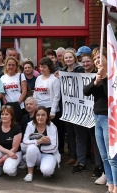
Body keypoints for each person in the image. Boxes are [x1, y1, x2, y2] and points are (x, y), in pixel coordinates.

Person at [84, 48, 117, 193]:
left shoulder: (112, 77)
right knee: (104, 156)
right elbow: (86, 92)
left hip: (108, 119)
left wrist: (103, 78)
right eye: (95, 58)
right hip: (97, 118)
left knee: (112, 157)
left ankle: (115, 186)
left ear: (107, 58)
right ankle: (110, 184)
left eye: (100, 58)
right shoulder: (96, 76)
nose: (97, 61)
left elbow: (109, 96)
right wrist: (96, 80)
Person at [71, 53, 103, 177]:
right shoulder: (75, 75)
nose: (85, 64)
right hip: (79, 112)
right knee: (80, 138)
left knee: (95, 140)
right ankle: (81, 163)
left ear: (93, 62)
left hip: (94, 113)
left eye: (88, 61)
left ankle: (98, 166)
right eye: (83, 62)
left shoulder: (99, 76)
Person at [22, 106, 60, 182]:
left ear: (47, 116)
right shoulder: (30, 125)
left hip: (49, 154)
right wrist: (39, 142)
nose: (40, 117)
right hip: (34, 153)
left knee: (47, 172)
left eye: (43, 115)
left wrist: (39, 148)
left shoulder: (52, 127)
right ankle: (30, 173)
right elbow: (25, 141)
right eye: (38, 115)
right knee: (31, 148)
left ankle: (41, 165)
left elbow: (54, 147)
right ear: (35, 116)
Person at [61, 50, 84, 166]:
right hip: (67, 106)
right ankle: (72, 156)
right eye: (66, 58)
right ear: (63, 60)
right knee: (69, 133)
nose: (68, 59)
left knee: (78, 134)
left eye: (70, 57)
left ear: (74, 58)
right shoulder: (63, 71)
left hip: (78, 106)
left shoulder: (79, 69)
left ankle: (80, 158)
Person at [0, 105, 22, 178]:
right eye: (2, 114)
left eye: (6, 114)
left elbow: (15, 148)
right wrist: (7, 152)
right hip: (4, 152)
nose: (4, 116)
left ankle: (10, 167)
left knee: (9, 172)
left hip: (14, 153)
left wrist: (2, 159)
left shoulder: (17, 128)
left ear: (11, 116)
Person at [1, 57, 27, 121]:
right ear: (6, 66)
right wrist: (5, 103)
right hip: (8, 106)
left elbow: (24, 92)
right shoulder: (3, 77)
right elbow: (2, 93)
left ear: (16, 66)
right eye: (9, 65)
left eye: (13, 65)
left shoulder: (21, 75)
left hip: (20, 105)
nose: (11, 67)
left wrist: (17, 104)